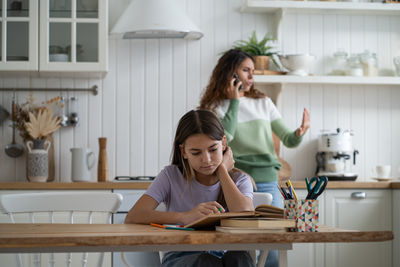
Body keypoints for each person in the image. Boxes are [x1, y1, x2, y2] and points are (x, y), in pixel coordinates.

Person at [199, 49, 310, 267]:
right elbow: (224, 140)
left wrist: (301, 131)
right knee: (240, 244)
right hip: (236, 181)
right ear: (231, 73)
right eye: (246, 71)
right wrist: (234, 102)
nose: (251, 77)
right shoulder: (213, 108)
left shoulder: (263, 103)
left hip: (268, 180)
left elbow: (289, 140)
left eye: (253, 71)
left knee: (273, 244)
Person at [125, 109, 255, 267]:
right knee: (206, 262)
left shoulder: (239, 179)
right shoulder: (170, 176)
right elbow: (134, 215)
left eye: (213, 150)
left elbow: (245, 214)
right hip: (180, 256)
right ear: (183, 152)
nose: (206, 160)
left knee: (240, 257)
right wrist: (185, 217)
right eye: (196, 152)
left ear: (224, 144)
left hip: (225, 255)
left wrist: (222, 171)